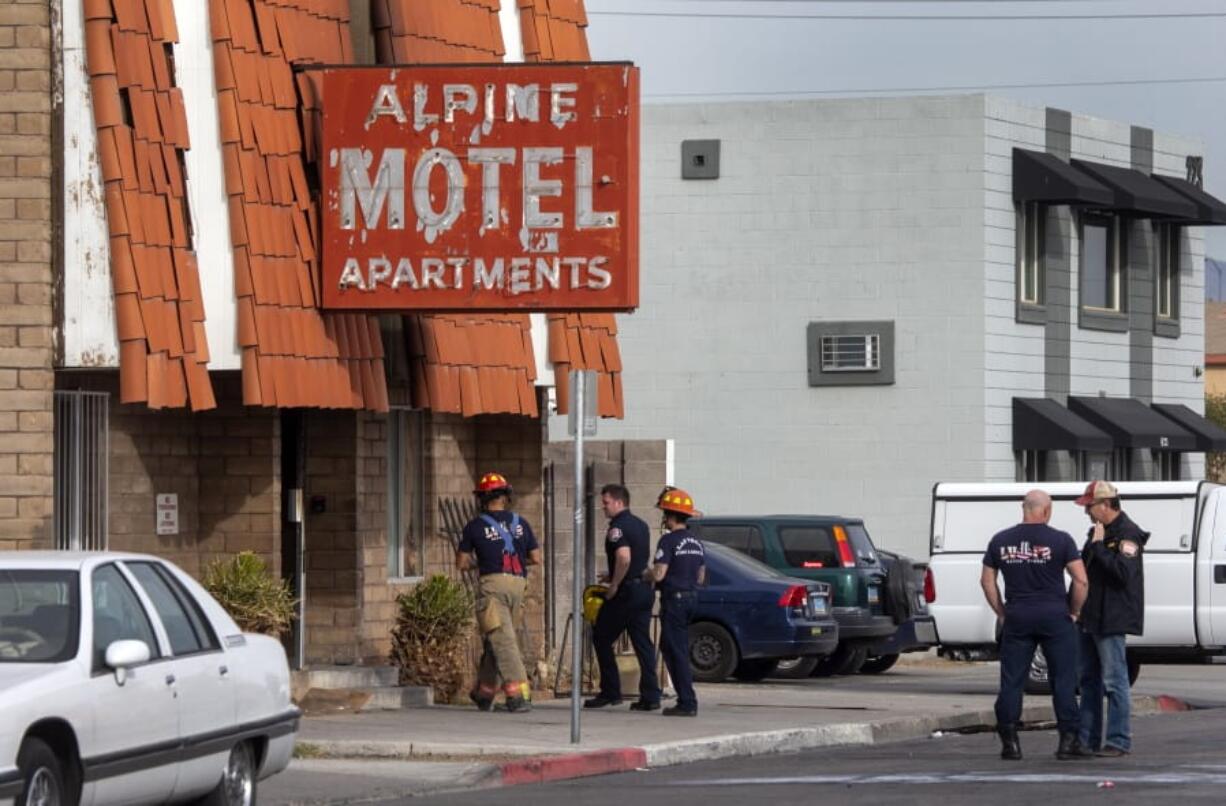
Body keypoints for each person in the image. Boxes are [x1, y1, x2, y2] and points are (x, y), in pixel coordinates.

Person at [981, 489, 1088, 761]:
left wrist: (1002, 612)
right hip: (1055, 617)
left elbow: (987, 581)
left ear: (1023, 508)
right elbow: (1081, 580)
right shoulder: (1061, 540)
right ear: (1047, 511)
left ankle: (1010, 742)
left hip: (1018, 617)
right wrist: (1074, 611)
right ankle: (1068, 741)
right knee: (1063, 680)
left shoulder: (1000, 540)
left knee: (1012, 681)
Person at [456, 472, 542, 713]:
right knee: (497, 639)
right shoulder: (520, 523)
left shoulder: (475, 526)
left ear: (483, 499)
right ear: (506, 497)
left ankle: (519, 696)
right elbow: (536, 558)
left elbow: (461, 563)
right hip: (518, 587)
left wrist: (481, 562)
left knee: (503, 641)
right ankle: (484, 693)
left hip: (493, 587)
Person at [1074, 479, 1148, 757]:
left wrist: (1099, 547)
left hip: (1112, 617)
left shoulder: (1128, 535)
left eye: (1090, 507)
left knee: (1115, 680)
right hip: (1090, 615)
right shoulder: (1098, 531)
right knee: (1088, 680)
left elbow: (1122, 574)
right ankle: (1087, 739)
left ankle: (1118, 740)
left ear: (1105, 505)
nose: (1087, 512)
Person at [586, 484, 662, 711]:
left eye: (606, 502)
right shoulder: (640, 525)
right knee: (643, 644)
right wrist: (613, 574)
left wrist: (614, 584)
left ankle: (610, 691)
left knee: (601, 637)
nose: (603, 507)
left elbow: (624, 558)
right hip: (643, 590)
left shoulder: (617, 528)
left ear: (619, 502)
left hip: (626, 593)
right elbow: (636, 561)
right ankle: (651, 696)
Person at [645, 486, 705, 717]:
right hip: (691, 599)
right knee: (673, 647)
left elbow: (659, 574)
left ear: (670, 516)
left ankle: (687, 702)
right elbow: (701, 575)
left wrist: (645, 575)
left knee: (675, 650)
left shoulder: (668, 541)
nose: (664, 518)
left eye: (665, 514)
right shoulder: (695, 541)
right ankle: (686, 698)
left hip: (675, 601)